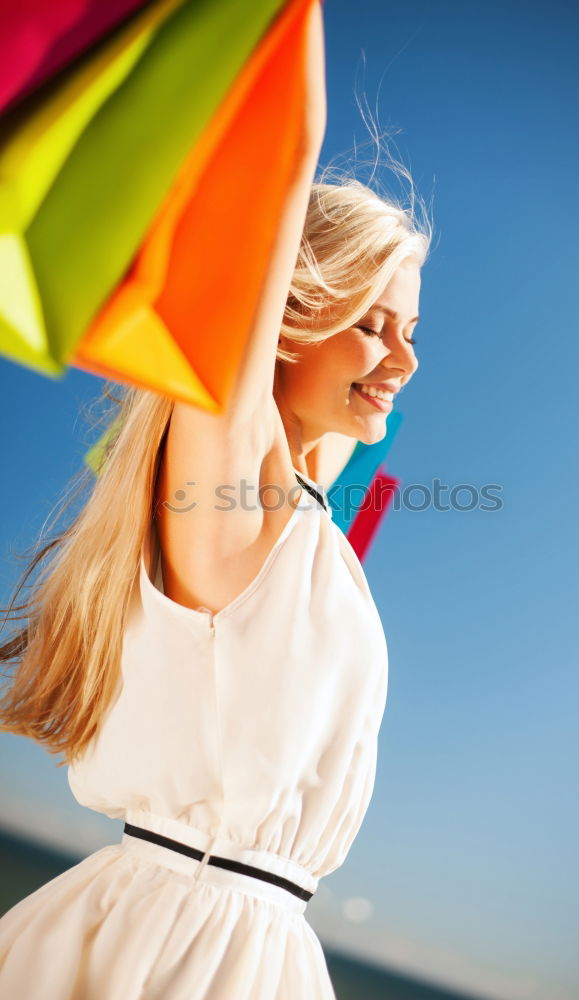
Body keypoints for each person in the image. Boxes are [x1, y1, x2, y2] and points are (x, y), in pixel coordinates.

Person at [0, 4, 431, 995]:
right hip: (181, 944)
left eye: (413, 330)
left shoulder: (309, 525)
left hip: (255, 947)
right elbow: (275, 178)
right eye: (373, 323)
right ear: (282, 318)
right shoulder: (238, 488)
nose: (405, 358)